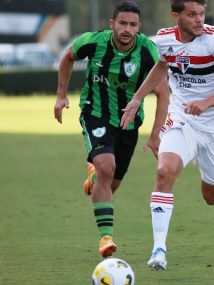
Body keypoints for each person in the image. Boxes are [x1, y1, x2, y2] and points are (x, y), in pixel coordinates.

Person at [120, 0, 214, 270]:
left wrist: (206, 103)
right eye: (192, 15)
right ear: (176, 16)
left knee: (211, 196)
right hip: (182, 119)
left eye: (201, 13)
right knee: (164, 171)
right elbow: (161, 65)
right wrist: (136, 99)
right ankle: (159, 250)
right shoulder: (166, 39)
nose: (199, 20)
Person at [53, 1, 169, 258]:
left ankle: (94, 177)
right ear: (112, 24)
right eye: (123, 23)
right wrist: (61, 95)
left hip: (129, 124)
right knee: (107, 167)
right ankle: (106, 238)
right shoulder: (93, 42)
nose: (127, 29)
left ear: (139, 27)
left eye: (133, 25)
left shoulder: (148, 52)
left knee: (110, 184)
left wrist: (155, 134)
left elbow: (163, 92)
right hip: (95, 114)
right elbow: (67, 57)